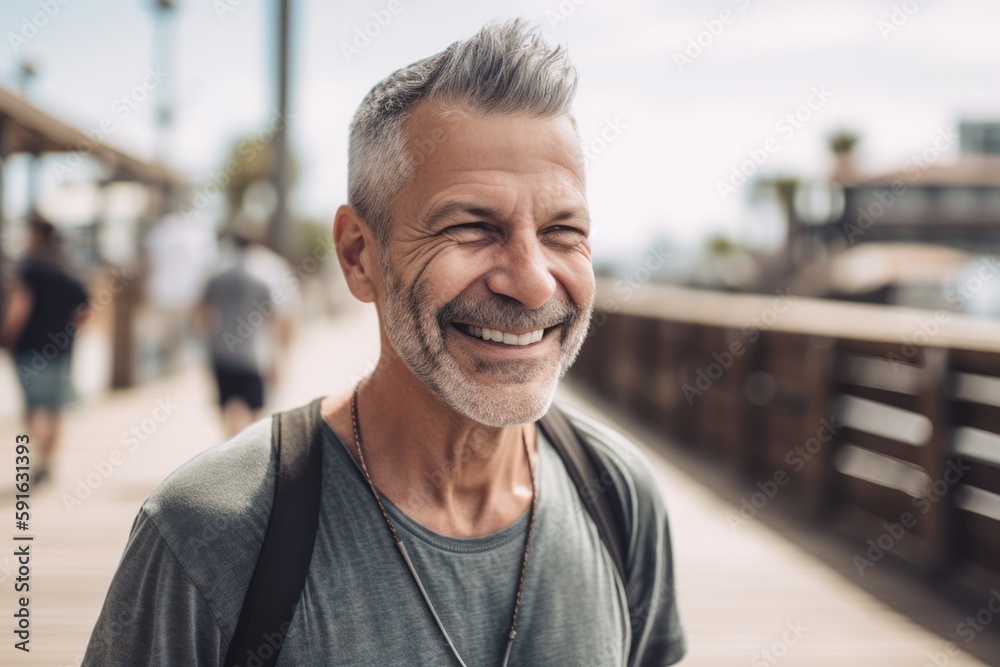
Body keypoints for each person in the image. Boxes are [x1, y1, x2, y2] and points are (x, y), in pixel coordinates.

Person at [84, 19, 686, 666]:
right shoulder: (211, 533)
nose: (534, 283)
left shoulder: (618, 496)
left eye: (563, 230)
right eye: (471, 227)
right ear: (358, 255)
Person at [1, 216, 89, 484]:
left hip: (28, 348)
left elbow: (20, 304)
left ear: (37, 235)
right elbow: (85, 311)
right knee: (54, 408)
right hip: (61, 349)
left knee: (32, 408)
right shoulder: (69, 268)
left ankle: (38, 459)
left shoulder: (29, 267)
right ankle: (48, 460)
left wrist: (6, 335)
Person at [199, 232, 291, 436]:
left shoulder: (217, 278)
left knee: (227, 409)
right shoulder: (260, 281)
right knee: (256, 415)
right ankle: (249, 459)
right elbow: (275, 321)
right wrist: (277, 357)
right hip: (253, 356)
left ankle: (229, 454)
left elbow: (202, 314)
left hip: (222, 353)